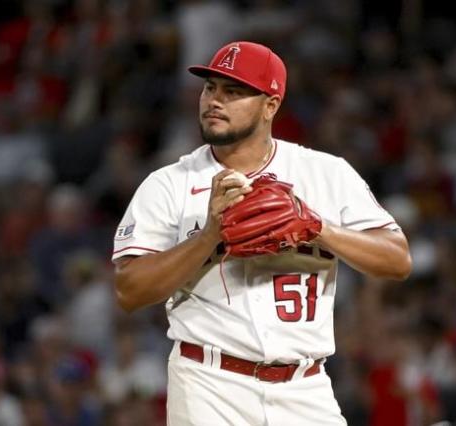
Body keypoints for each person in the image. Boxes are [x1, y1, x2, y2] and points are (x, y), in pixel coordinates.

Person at [112, 41, 412, 425]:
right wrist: (209, 238)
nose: (214, 101)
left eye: (233, 92)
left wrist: (318, 228)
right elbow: (129, 290)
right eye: (210, 88)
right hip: (209, 384)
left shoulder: (325, 173)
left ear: (271, 105)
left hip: (305, 387)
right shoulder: (169, 184)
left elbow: (397, 259)